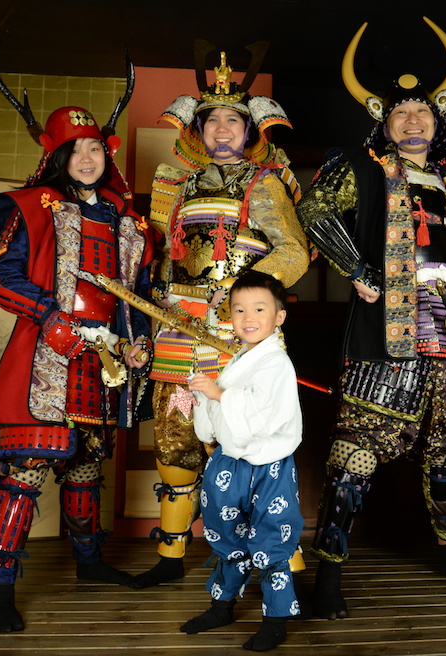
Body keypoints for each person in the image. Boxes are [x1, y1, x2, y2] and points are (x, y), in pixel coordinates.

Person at [295, 17, 446, 620]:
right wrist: (356, 268)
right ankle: (329, 574)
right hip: (388, 331)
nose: (411, 120)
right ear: (384, 122)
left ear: (437, 120)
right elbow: (315, 210)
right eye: (400, 112)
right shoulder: (362, 165)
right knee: (356, 450)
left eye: (421, 111)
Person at [0, 49, 152, 634]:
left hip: (102, 361)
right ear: (56, 156)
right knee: (26, 473)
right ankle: (0, 592)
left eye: (95, 147)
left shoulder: (129, 220)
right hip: (44, 357)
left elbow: (138, 295)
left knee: (83, 470)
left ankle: (90, 564)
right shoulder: (34, 208)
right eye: (74, 150)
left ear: (107, 153)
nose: (86, 158)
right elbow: (3, 278)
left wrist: (136, 341)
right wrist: (50, 316)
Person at [130, 42, 310, 589]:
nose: (223, 129)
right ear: (198, 131)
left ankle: (282, 563)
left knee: (247, 443)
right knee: (175, 439)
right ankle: (170, 556)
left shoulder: (264, 183)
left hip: (236, 331)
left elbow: (294, 253)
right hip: (176, 326)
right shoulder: (176, 184)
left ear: (249, 130)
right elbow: (162, 257)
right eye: (213, 121)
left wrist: (238, 294)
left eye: (233, 120)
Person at [179, 270, 303, 651]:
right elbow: (216, 423)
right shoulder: (239, 359)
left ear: (279, 317)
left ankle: (276, 622)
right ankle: (222, 606)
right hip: (229, 464)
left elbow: (262, 414)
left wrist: (219, 394)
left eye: (259, 309)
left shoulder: (277, 363)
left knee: (271, 538)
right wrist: (203, 396)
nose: (248, 318)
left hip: (269, 467)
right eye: (239, 310)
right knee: (225, 535)